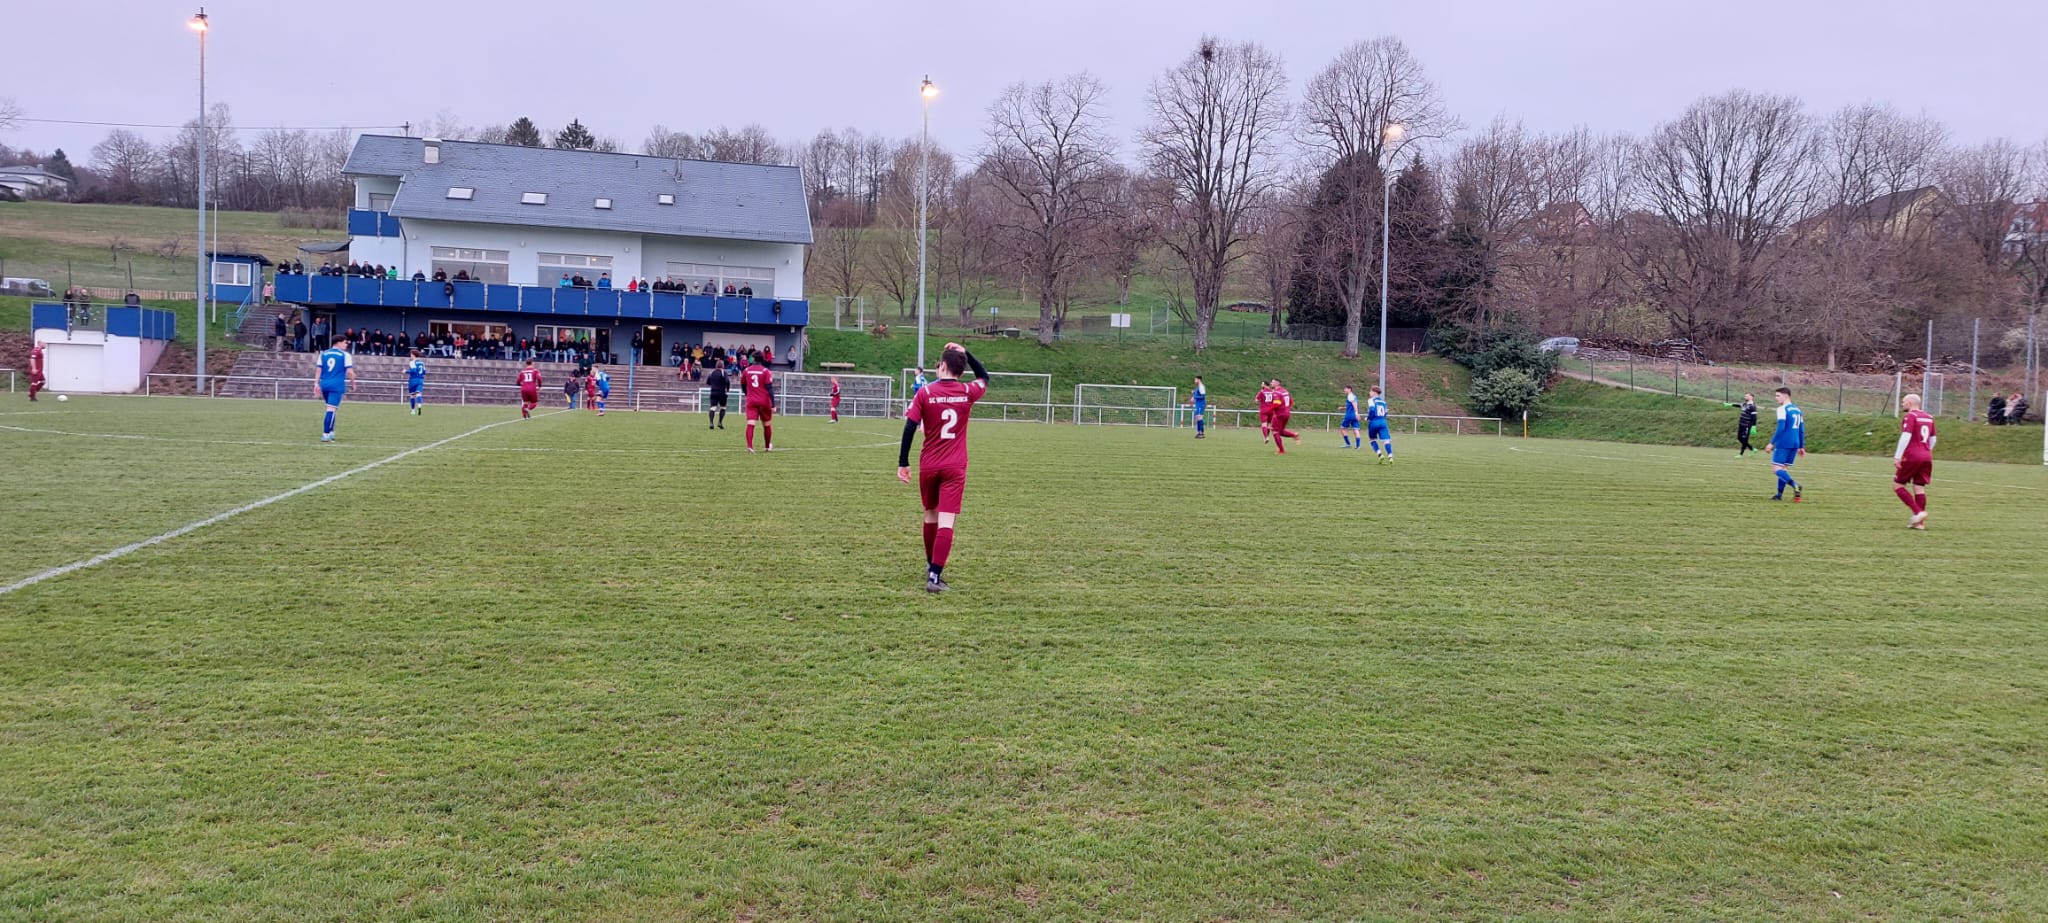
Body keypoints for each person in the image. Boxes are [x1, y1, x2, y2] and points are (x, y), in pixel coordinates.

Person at [898, 342, 990, 594]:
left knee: (930, 515)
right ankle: (935, 577)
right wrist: (967, 353)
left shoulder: (925, 393)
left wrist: (903, 462)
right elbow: (984, 377)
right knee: (947, 521)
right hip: (955, 466)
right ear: (961, 370)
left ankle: (930, 565)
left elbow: (909, 427)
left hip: (929, 464)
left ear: (945, 366)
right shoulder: (968, 391)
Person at [1894, 393, 1936, 530]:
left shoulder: (1911, 416)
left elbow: (1906, 436)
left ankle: (1918, 512)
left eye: (1903, 402)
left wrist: (1898, 455)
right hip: (1926, 455)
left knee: (1898, 485)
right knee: (1919, 487)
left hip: (1912, 455)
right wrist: (1925, 450)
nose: (1902, 404)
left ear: (1910, 403)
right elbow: (1933, 439)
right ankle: (1919, 523)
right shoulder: (1929, 417)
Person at [1764, 386, 1805, 502]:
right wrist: (1801, 446)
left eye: (1778, 395)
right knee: (1783, 469)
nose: (1776, 398)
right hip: (1795, 443)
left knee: (1776, 469)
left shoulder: (1782, 409)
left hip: (1784, 442)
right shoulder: (1797, 410)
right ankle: (1779, 495)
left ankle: (1795, 485)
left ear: (1785, 396)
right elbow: (1801, 430)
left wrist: (1771, 443)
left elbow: (1781, 428)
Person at [316, 335, 356, 443]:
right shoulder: (345, 355)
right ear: (338, 342)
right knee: (331, 409)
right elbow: (350, 372)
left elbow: (318, 370)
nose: (346, 344)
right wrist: (353, 383)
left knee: (331, 408)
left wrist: (316, 383)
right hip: (336, 384)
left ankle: (331, 432)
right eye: (345, 342)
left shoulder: (323, 353)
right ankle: (326, 434)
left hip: (324, 383)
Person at [742, 354, 776, 452]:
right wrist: (773, 404)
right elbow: (770, 388)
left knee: (750, 423)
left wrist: (747, 394)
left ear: (753, 359)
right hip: (764, 401)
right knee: (767, 424)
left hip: (751, 401)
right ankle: (767, 446)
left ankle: (749, 446)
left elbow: (743, 384)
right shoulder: (766, 371)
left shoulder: (747, 370)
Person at [1267, 379, 1300, 454]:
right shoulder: (1285, 391)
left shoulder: (1276, 392)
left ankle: (1281, 451)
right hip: (1286, 414)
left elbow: (1277, 403)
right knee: (1280, 432)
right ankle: (1294, 435)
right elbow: (1291, 402)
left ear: (1277, 383)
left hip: (1279, 414)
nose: (1271, 383)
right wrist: (1286, 409)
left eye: (1272, 382)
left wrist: (1269, 410)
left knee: (1275, 431)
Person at [1366, 385, 1393, 463]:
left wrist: (1368, 418)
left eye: (1370, 391)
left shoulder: (1371, 400)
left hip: (1374, 421)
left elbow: (1371, 410)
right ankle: (1390, 456)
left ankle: (1380, 454)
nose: (1369, 393)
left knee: (1372, 439)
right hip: (1383, 422)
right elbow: (1385, 413)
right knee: (1386, 440)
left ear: (1374, 392)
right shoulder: (1383, 402)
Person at [706, 362, 730, 430]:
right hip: (722, 392)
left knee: (713, 408)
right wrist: (727, 389)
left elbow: (708, 382)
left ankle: (711, 423)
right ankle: (720, 422)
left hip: (713, 392)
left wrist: (714, 384)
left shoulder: (712, 372)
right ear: (723, 366)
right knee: (723, 407)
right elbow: (727, 381)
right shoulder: (723, 372)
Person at [405, 349, 427, 416]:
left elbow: (413, 371)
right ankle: (419, 408)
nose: (410, 356)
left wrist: (406, 371)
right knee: (419, 394)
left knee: (412, 395)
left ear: (413, 355)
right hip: (420, 380)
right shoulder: (422, 363)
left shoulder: (412, 362)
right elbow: (424, 372)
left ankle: (413, 411)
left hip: (413, 380)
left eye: (411, 354)